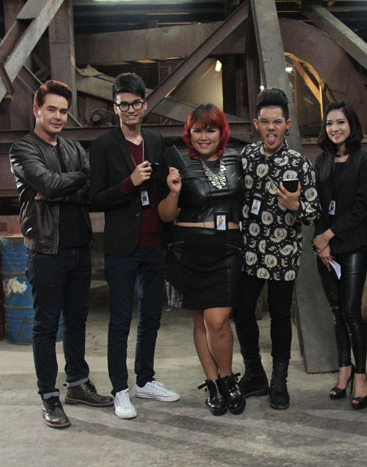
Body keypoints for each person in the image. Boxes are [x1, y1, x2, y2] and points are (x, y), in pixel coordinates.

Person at [9, 80, 113, 429]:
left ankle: (78, 384)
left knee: (77, 320)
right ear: (36, 109)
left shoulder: (72, 147)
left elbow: (89, 188)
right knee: (46, 326)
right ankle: (49, 396)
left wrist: (59, 189)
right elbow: (48, 184)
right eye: (51, 109)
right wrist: (63, 183)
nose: (58, 116)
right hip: (46, 250)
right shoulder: (22, 149)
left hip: (79, 247)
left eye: (63, 111)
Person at [89, 73, 179, 420]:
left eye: (135, 103)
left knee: (152, 316)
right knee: (120, 320)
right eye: (123, 104)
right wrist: (129, 183)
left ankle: (145, 380)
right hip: (122, 248)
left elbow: (162, 188)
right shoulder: (103, 146)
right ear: (114, 108)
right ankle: (120, 389)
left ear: (145, 105)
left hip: (155, 243)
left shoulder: (155, 140)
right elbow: (95, 199)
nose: (130, 110)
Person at [234, 88, 321, 410]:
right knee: (242, 311)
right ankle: (254, 373)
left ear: (288, 125)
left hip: (283, 253)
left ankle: (279, 380)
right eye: (265, 121)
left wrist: (297, 206)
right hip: (249, 251)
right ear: (256, 124)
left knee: (281, 316)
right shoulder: (245, 158)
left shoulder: (299, 164)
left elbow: (313, 211)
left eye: (277, 122)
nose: (271, 128)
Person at [158, 104, 245, 416]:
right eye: (197, 130)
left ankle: (227, 378)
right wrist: (173, 192)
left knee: (218, 321)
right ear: (189, 133)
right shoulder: (178, 164)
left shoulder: (236, 159)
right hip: (188, 249)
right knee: (200, 321)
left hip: (227, 249)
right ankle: (214, 383)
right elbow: (165, 216)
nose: (203, 136)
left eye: (211, 130)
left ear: (222, 132)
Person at [313, 102, 367, 410]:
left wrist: (327, 235)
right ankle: (344, 370)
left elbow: (362, 207)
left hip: (352, 244)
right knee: (336, 312)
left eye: (340, 122)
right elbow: (317, 204)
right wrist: (321, 242)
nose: (334, 128)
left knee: (351, 312)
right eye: (329, 123)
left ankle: (361, 375)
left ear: (351, 124)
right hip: (327, 248)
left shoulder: (364, 160)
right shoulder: (322, 160)